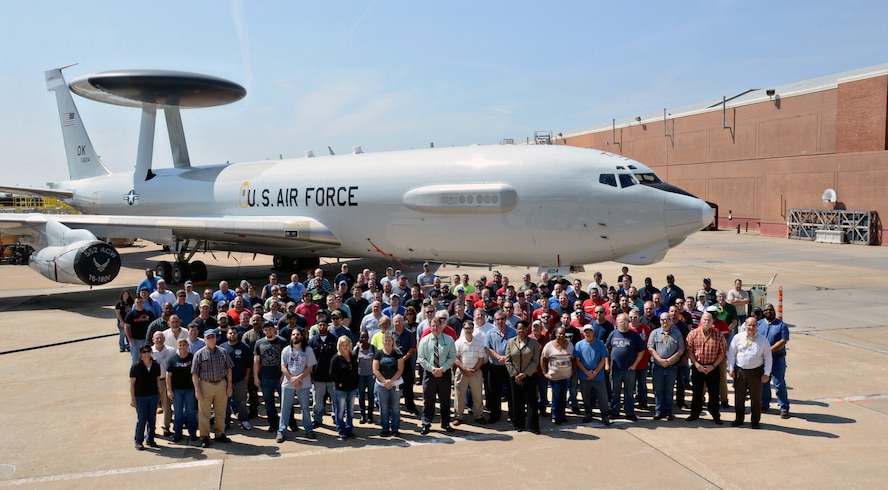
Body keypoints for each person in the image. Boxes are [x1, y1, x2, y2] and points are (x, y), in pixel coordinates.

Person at [191, 329, 234, 448]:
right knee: (204, 413)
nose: (211, 339)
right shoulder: (199, 354)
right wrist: (197, 390)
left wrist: (229, 385)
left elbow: (229, 369)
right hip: (205, 384)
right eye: (208, 337)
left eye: (213, 337)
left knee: (220, 412)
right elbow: (194, 373)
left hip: (221, 384)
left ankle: (219, 433)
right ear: (204, 340)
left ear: (216, 338)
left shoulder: (223, 352)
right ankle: (204, 436)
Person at [728, 317, 772, 429]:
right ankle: (739, 419)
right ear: (745, 325)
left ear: (757, 326)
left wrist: (767, 373)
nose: (751, 328)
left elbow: (768, 358)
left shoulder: (763, 341)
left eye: (753, 325)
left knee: (756, 398)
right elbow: (732, 353)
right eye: (749, 325)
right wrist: (730, 368)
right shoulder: (738, 338)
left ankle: (755, 421)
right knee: (739, 397)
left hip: (756, 372)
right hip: (740, 371)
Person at [685, 312, 728, 424]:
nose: (706, 322)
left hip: (712, 367)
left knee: (714, 393)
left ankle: (715, 414)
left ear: (712, 322)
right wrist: (696, 364)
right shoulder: (693, 334)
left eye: (709, 320)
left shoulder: (718, 335)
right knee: (697, 392)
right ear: (701, 321)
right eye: (704, 320)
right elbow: (689, 350)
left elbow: (722, 352)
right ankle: (695, 413)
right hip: (698, 367)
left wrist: (713, 366)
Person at [417, 315, 457, 434]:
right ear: (430, 326)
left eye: (437, 326)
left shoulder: (449, 340)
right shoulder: (424, 341)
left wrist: (442, 369)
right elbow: (421, 358)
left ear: (441, 326)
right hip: (429, 374)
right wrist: (433, 369)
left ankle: (445, 423)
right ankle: (426, 424)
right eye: (433, 326)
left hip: (444, 374)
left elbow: (452, 356)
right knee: (428, 400)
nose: (435, 328)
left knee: (445, 400)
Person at [278, 327, 318, 442]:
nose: (296, 336)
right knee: (285, 408)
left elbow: (310, 368)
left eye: (298, 334)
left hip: (303, 384)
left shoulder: (308, 350)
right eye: (293, 334)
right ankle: (281, 431)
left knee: (305, 408)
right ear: (291, 337)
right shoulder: (286, 350)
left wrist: (298, 378)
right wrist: (292, 379)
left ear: (302, 336)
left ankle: (308, 429)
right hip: (288, 383)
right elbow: (283, 367)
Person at [606, 313, 645, 421]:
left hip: (629, 370)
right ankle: (615, 411)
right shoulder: (613, 334)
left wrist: (634, 365)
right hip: (615, 369)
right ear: (617, 323)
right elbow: (607, 349)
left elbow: (642, 351)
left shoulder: (634, 335)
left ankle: (630, 412)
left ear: (628, 322)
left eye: (624, 321)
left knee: (629, 391)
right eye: (620, 322)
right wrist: (607, 363)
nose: (622, 323)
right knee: (615, 391)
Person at [647, 313, 685, 421]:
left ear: (670, 321)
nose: (665, 322)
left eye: (667, 319)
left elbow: (681, 350)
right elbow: (650, 348)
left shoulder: (677, 333)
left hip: (671, 367)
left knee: (669, 390)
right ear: (660, 321)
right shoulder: (655, 333)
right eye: (663, 320)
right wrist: (660, 360)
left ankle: (668, 412)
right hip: (658, 366)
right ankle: (658, 411)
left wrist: (669, 360)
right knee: (658, 390)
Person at [505, 320, 541, 433]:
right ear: (516, 330)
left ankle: (532, 426)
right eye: (519, 328)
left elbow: (535, 361)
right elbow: (507, 360)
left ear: (527, 330)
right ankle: (519, 424)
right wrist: (516, 374)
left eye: (523, 328)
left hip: (529, 375)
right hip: (514, 376)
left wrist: (524, 374)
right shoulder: (511, 342)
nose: (521, 331)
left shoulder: (534, 343)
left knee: (531, 400)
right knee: (517, 400)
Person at [253, 321, 288, 432]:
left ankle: (288, 422)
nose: (268, 331)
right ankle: (273, 424)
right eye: (266, 330)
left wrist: (284, 375)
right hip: (265, 377)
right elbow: (256, 361)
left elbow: (287, 360)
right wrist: (256, 376)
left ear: (274, 329)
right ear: (263, 331)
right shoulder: (259, 343)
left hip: (280, 377)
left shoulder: (282, 341)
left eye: (270, 329)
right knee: (269, 403)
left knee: (286, 401)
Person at [484, 311, 517, 424]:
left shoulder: (513, 332)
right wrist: (498, 357)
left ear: (505, 319)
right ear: (495, 320)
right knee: (494, 392)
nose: (500, 321)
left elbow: (516, 348)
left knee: (511, 392)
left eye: (502, 319)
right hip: (494, 367)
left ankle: (513, 414)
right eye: (498, 319)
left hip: (509, 367)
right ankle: (495, 415)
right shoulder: (490, 333)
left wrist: (506, 358)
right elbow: (487, 348)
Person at [453, 319, 487, 426]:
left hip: (475, 372)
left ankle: (478, 415)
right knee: (459, 395)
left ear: (473, 329)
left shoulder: (478, 342)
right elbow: (456, 359)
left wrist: (474, 370)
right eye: (466, 328)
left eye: (470, 328)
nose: (468, 330)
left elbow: (481, 359)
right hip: (462, 372)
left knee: (477, 395)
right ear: (463, 329)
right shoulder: (458, 342)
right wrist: (465, 369)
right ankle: (458, 416)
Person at [759, 303, 790, 419]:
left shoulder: (781, 325)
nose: (768, 312)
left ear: (774, 311)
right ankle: (764, 404)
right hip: (763, 360)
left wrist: (769, 350)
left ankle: (784, 407)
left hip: (777, 359)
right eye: (766, 310)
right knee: (764, 382)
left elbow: (783, 341)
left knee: (778, 383)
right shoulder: (759, 324)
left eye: (770, 310)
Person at [574, 325, 611, 425]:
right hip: (584, 376)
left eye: (590, 331)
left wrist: (595, 372)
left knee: (603, 397)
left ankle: (605, 415)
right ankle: (588, 414)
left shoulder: (600, 344)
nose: (588, 333)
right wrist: (586, 372)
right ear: (583, 333)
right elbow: (577, 361)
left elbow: (603, 359)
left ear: (593, 332)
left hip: (598, 376)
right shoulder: (579, 345)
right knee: (586, 397)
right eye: (586, 332)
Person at [219, 327, 253, 431]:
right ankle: (226, 422)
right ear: (227, 335)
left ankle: (244, 420)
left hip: (240, 380)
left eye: (234, 333)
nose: (232, 335)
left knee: (242, 401)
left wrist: (246, 378)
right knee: (225, 403)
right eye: (230, 333)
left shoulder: (244, 348)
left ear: (237, 335)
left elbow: (249, 365)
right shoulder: (222, 348)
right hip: (225, 381)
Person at [373, 332, 405, 437]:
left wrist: (391, 381)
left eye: (389, 340)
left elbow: (400, 369)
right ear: (382, 341)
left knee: (395, 407)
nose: (387, 342)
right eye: (385, 340)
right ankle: (385, 429)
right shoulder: (378, 353)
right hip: (381, 385)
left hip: (395, 384)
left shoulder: (398, 353)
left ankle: (395, 429)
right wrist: (384, 381)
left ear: (392, 341)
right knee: (383, 407)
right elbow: (375, 369)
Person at [166, 338, 198, 442]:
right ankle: (177, 433)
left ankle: (192, 432)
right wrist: (169, 390)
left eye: (184, 345)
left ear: (187, 346)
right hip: (177, 390)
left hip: (189, 389)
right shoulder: (173, 360)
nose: (182, 347)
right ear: (177, 347)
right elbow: (168, 376)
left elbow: (196, 374)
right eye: (180, 345)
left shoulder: (192, 358)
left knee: (190, 412)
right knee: (178, 412)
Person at [308, 318, 338, 428]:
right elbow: (308, 359)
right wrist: (311, 375)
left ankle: (337, 418)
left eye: (324, 325)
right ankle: (317, 419)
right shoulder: (312, 341)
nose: (322, 327)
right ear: (317, 326)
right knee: (317, 401)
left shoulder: (334, 339)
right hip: (318, 377)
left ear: (327, 326)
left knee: (335, 400)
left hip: (332, 377)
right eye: (320, 325)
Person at [541, 325, 574, 425]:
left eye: (563, 334)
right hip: (554, 377)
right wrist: (544, 372)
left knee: (563, 396)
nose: (561, 335)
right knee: (556, 396)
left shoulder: (570, 345)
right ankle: (555, 416)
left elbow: (573, 359)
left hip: (566, 375)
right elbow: (543, 359)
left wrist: (574, 371)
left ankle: (562, 415)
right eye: (559, 333)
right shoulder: (549, 345)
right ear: (555, 334)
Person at [130, 344, 160, 450]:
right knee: (142, 419)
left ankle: (150, 439)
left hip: (153, 395)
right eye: (144, 352)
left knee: (152, 419)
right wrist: (133, 398)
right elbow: (132, 384)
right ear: (140, 354)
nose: (146, 354)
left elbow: (157, 381)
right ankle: (138, 441)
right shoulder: (136, 366)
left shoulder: (156, 365)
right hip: (140, 396)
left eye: (148, 351)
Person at [330, 335, 359, 440]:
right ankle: (341, 430)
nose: (345, 347)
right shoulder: (336, 358)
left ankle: (349, 429)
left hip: (352, 388)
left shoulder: (353, 356)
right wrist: (339, 382)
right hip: (341, 390)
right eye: (343, 345)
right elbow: (332, 374)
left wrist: (356, 383)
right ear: (339, 346)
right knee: (340, 410)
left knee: (350, 411)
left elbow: (356, 371)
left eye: (347, 344)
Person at [150, 331, 176, 436]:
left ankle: (166, 427)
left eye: (161, 338)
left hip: (166, 381)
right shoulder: (149, 352)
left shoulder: (171, 351)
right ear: (153, 340)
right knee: (151, 407)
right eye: (157, 338)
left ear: (164, 339)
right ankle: (151, 428)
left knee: (167, 406)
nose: (159, 340)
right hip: (153, 382)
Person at [125, 297, 156, 366]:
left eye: (140, 302)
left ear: (143, 303)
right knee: (135, 359)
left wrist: (152, 339)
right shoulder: (131, 315)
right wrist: (130, 339)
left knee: (149, 358)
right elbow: (126, 327)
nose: (139, 304)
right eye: (137, 302)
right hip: (135, 341)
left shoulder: (149, 313)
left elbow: (154, 326)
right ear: (134, 303)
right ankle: (134, 375)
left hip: (147, 340)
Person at [354, 331, 377, 424]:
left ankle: (370, 415)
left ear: (368, 338)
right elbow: (352, 361)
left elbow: (377, 360)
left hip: (371, 375)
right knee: (361, 396)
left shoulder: (373, 348)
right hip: (361, 376)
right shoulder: (357, 349)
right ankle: (363, 414)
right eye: (362, 337)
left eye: (365, 337)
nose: (363, 339)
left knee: (371, 395)